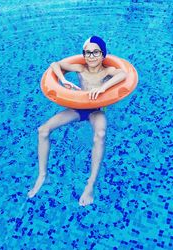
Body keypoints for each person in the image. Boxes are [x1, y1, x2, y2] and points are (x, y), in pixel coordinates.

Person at [27, 36, 127, 206]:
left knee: (100, 134)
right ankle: (43, 175)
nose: (91, 56)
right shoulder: (80, 68)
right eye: (87, 52)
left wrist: (103, 87)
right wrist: (64, 80)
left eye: (96, 52)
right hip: (79, 107)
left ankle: (90, 184)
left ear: (103, 54)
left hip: (97, 110)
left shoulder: (106, 71)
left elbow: (123, 73)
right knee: (42, 130)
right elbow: (54, 64)